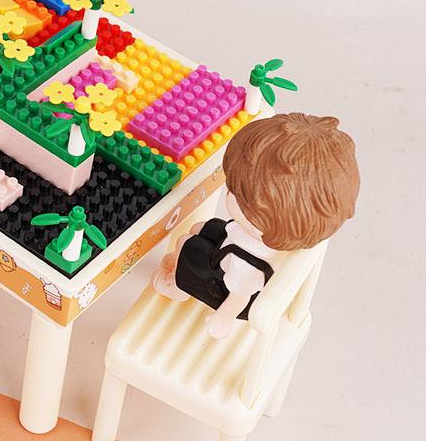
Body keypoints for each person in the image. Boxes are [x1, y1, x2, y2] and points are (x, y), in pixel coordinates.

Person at [153, 113, 360, 339]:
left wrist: (222, 320)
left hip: (224, 288)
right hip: (234, 249)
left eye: (239, 197)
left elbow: (238, 297)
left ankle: (177, 286)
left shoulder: (248, 267)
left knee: (187, 244)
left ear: (266, 219)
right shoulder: (273, 234)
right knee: (203, 227)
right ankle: (184, 263)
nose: (230, 194)